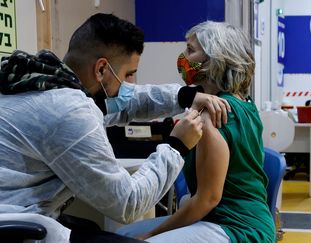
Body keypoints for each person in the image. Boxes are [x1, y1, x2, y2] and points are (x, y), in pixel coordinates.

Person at [0, 13, 230, 242]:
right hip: (17, 225)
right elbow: (128, 204)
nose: (131, 85)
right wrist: (176, 146)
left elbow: (126, 103)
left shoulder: (36, 80)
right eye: (128, 75)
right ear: (101, 69)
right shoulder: (70, 110)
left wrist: (185, 96)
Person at [119, 21, 276, 243]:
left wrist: (152, 234)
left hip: (235, 227)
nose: (183, 56)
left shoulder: (213, 114)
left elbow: (207, 199)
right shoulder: (245, 104)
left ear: (213, 61)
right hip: (241, 219)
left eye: (191, 50)